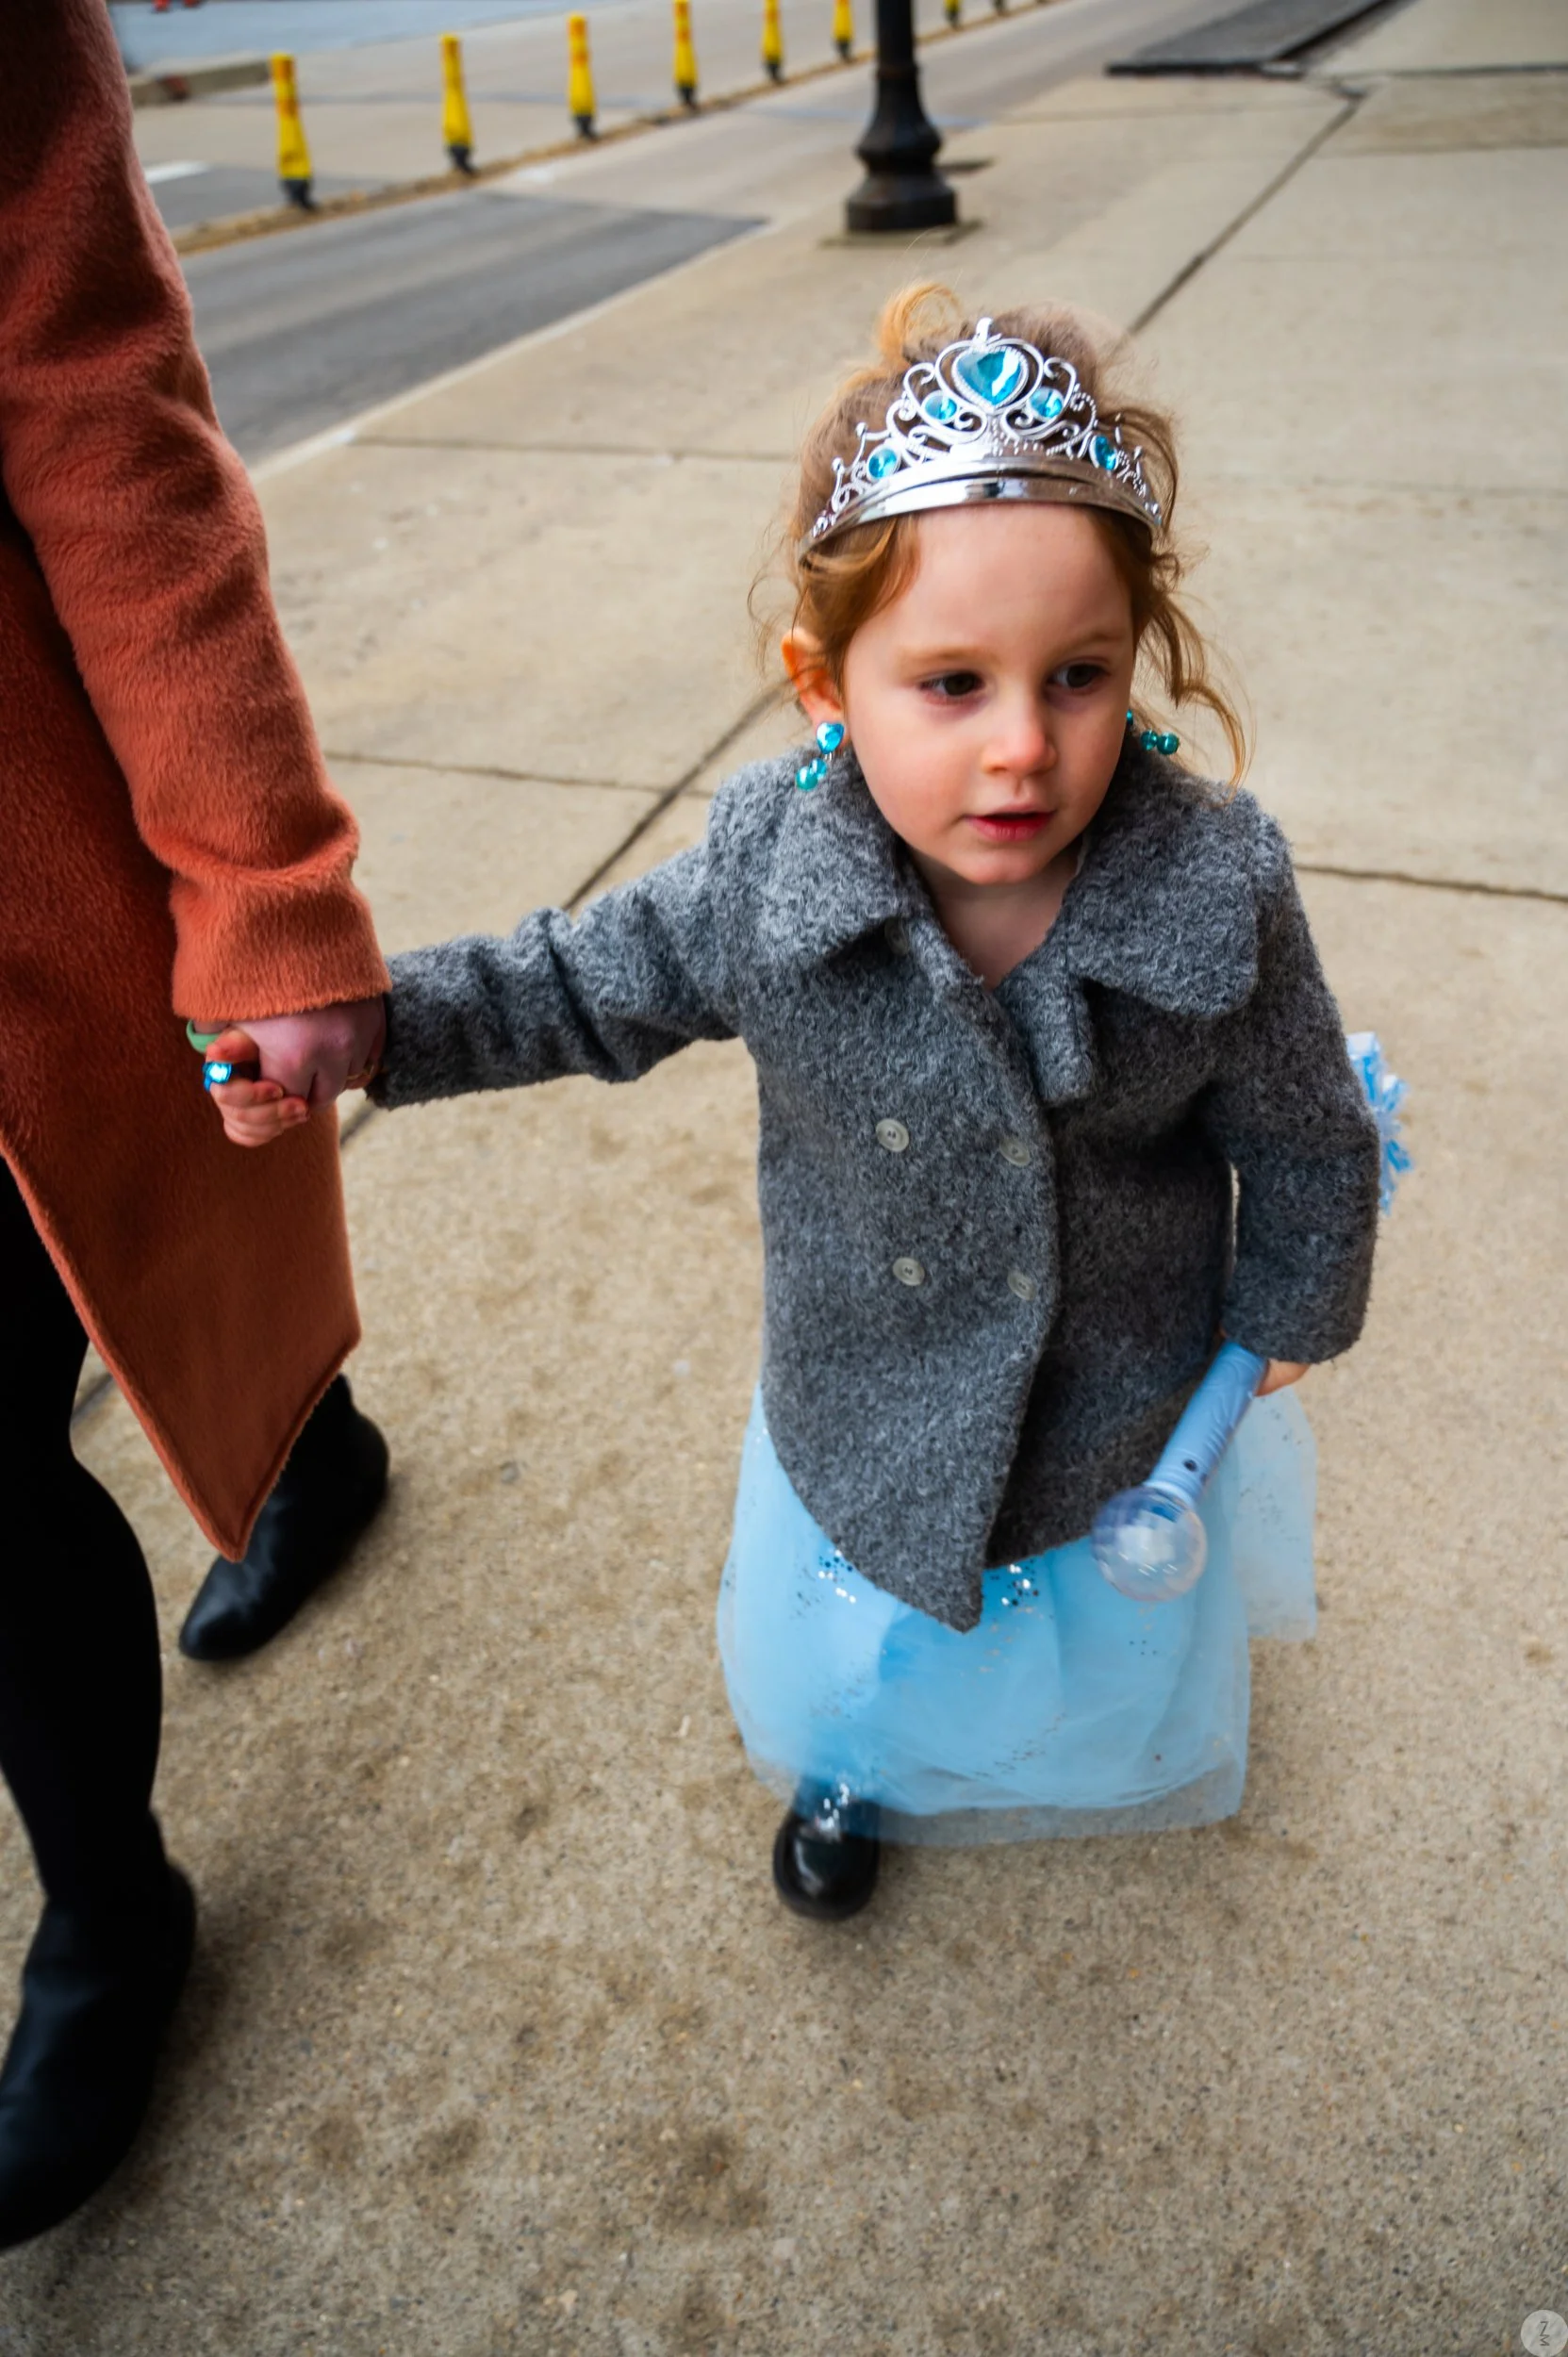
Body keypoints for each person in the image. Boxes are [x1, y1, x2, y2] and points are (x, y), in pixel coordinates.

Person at [214, 287, 1381, 1921]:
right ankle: (856, 1757)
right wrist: (371, 1034)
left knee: (1079, 1622)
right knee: (864, 1625)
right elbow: (573, 984)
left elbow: (1305, 1130)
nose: (1021, 748)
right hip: (871, 1389)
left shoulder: (1212, 884)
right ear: (824, 687)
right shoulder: (772, 875)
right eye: (950, 683)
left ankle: (1052, 1735)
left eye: (1078, 675)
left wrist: (1291, 1307)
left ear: (1136, 660)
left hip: (1112, 1392)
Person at [0, 0, 389, 2247]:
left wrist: (265, 886)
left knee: (167, 1214)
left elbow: (103, 418)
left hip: (21, 878)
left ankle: (105, 1899)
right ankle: (313, 1441)